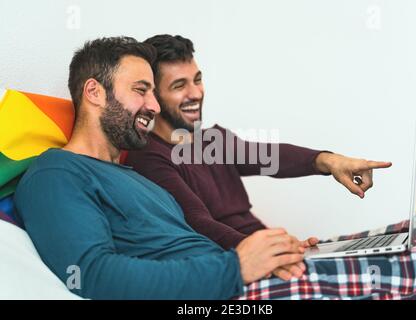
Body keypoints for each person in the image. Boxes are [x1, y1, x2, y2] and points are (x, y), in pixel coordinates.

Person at [14, 37, 315, 299]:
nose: (155, 106)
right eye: (141, 90)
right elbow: (91, 274)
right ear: (94, 92)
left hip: (244, 283)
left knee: (355, 253)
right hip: (232, 289)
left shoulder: (136, 177)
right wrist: (235, 268)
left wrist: (277, 254)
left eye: (154, 93)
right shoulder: (56, 174)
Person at [124, 35, 392, 281]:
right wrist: (275, 253)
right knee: (378, 277)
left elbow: (271, 157)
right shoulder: (148, 158)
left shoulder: (213, 140)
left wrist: (331, 161)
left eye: (197, 79)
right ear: (153, 97)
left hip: (273, 256)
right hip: (240, 268)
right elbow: (197, 222)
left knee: (402, 247)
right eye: (179, 86)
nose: (195, 93)